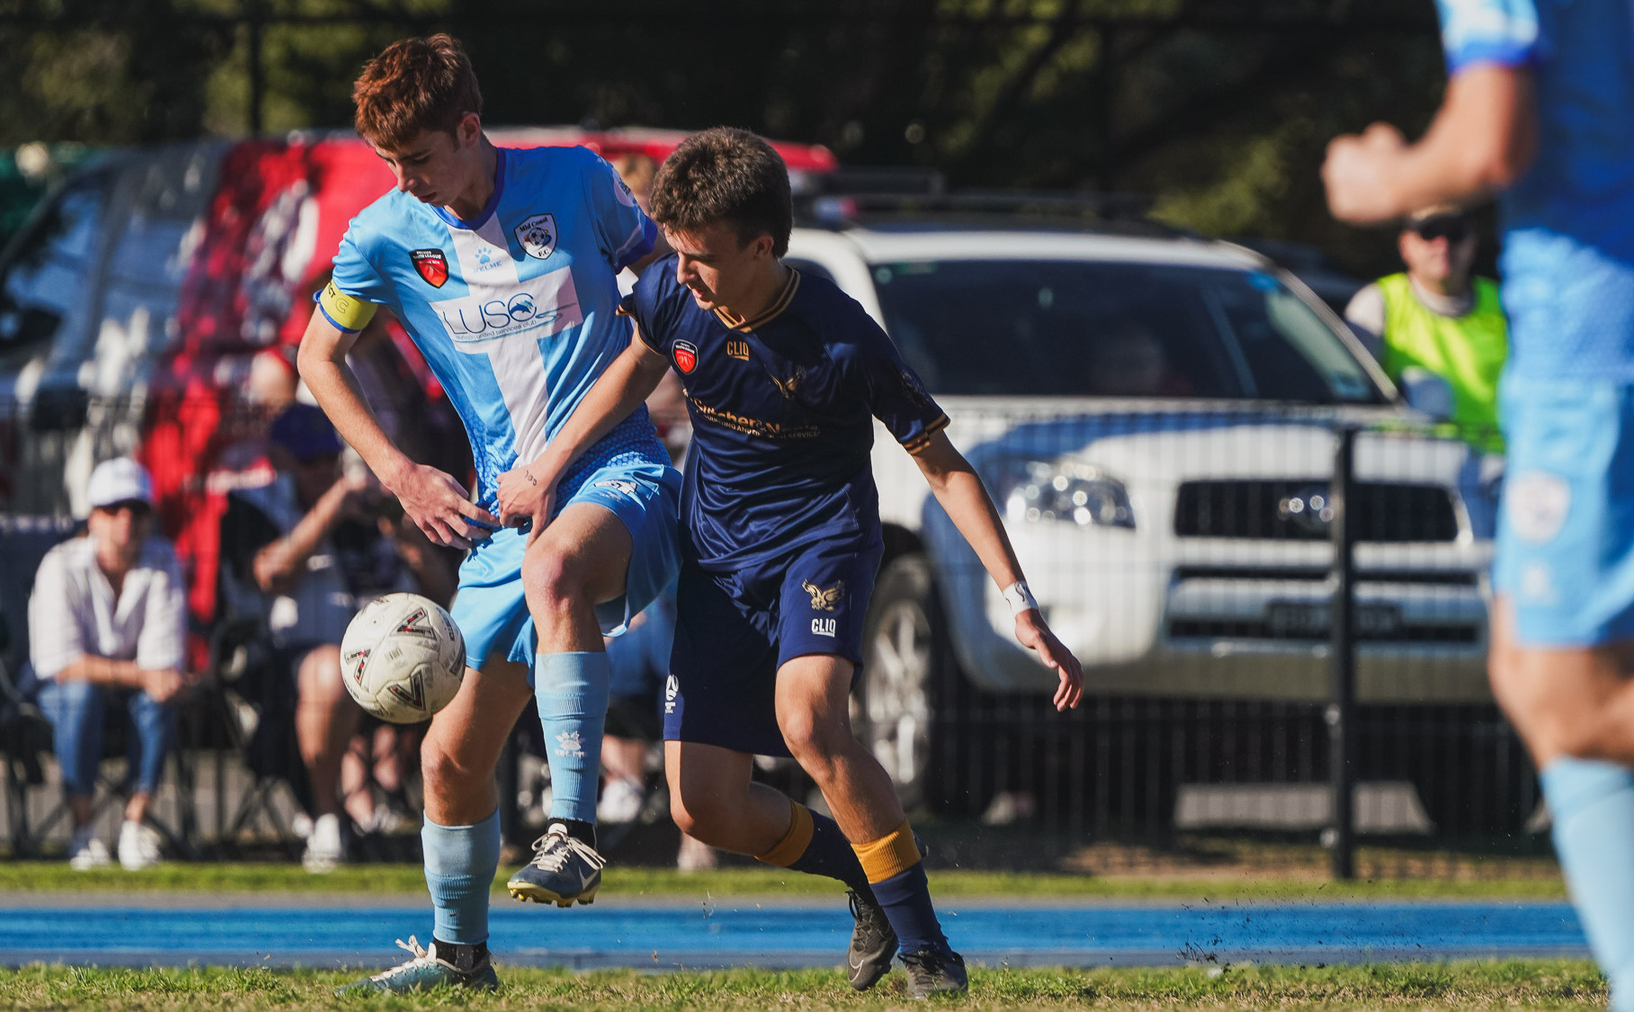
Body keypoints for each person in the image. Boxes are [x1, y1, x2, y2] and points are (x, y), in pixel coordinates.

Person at [497, 127, 1085, 998]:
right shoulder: (669, 292)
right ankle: (866, 877)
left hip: (822, 544)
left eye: (700, 255)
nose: (680, 270)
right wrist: (545, 467)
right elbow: (634, 366)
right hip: (718, 563)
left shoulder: (843, 341)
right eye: (675, 252)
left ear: (763, 246)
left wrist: (1019, 599)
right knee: (704, 806)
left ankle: (929, 952)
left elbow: (944, 467)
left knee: (809, 723)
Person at [295, 35, 679, 992]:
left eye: (418, 157)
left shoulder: (579, 185)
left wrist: (552, 463)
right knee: (447, 762)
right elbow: (315, 359)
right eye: (389, 163)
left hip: (615, 478)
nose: (404, 180)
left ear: (470, 128)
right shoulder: (384, 235)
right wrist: (399, 472)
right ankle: (461, 959)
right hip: (504, 520)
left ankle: (575, 830)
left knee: (556, 571)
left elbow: (668, 320)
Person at [1322, 1, 1634, 1005]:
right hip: (1584, 343)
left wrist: (1381, 179)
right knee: (1533, 677)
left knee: (1561, 691)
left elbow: (1490, 137)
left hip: (1594, 343)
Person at [221, 403, 451, 871]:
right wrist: (332, 507)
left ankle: (459, 827)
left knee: (466, 662)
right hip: (275, 669)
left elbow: (445, 595)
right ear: (281, 459)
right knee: (331, 669)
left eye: (329, 459)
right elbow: (272, 573)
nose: (323, 470)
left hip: (375, 663)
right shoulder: (251, 506)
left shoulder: (360, 517)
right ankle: (328, 818)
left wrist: (405, 536)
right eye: (310, 462)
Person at [27, 457, 190, 872]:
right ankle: (84, 832)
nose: (125, 520)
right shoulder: (59, 565)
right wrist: (139, 674)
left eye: (136, 509)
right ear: (92, 518)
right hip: (63, 695)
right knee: (79, 696)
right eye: (112, 508)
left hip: (130, 696)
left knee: (160, 697)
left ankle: (135, 824)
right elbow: (59, 664)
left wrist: (145, 677)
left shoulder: (163, 559)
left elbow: (163, 659)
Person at [1342, 206, 1508, 449]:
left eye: (1455, 233)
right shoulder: (1378, 303)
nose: (1442, 245)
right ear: (1406, 245)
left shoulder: (1505, 305)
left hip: (1494, 471)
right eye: (1429, 233)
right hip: (1409, 472)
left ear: (1472, 243)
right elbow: (1349, 396)